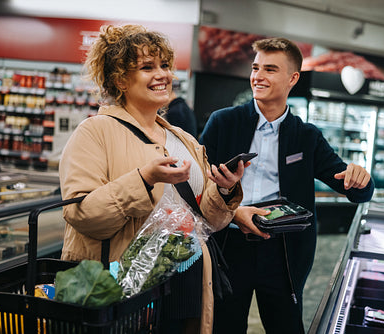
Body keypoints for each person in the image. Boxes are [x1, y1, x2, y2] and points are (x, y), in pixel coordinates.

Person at [58, 24, 246, 334]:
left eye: (165, 65)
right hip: (125, 294)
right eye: (147, 67)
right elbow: (84, 214)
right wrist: (144, 179)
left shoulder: (184, 139)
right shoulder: (94, 133)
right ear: (120, 79)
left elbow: (208, 221)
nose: (163, 75)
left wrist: (224, 191)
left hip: (185, 288)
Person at [199, 37, 374, 333]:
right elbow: (196, 183)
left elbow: (355, 189)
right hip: (228, 247)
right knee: (224, 327)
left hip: (282, 253)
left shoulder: (306, 136)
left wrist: (361, 178)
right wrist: (231, 207)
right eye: (256, 68)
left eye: (270, 69)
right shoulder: (223, 122)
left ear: (293, 78)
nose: (258, 76)